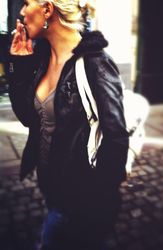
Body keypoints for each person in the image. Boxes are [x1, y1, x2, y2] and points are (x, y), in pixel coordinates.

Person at [8, 0, 129, 249]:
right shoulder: (41, 55)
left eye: (26, 3)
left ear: (47, 10)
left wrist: (92, 203)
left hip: (78, 207)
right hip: (53, 193)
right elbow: (28, 118)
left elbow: (116, 138)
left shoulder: (95, 63)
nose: (21, 11)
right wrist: (19, 66)